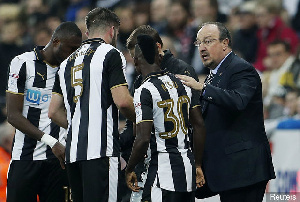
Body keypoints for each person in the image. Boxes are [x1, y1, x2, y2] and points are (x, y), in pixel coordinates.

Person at [177, 22, 276, 202]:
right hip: (230, 171)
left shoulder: (241, 68)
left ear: (225, 43)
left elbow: (238, 101)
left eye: (208, 41)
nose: (202, 48)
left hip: (244, 170)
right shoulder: (215, 74)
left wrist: (202, 88)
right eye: (199, 43)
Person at [48, 7, 135, 202]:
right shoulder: (110, 53)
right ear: (112, 31)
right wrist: (142, 119)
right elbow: (122, 101)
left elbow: (53, 112)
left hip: (73, 153)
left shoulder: (65, 63)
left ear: (87, 33)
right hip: (101, 151)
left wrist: (78, 125)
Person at [119, 24, 201, 201]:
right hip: (185, 164)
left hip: (162, 169)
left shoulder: (147, 87)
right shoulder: (181, 82)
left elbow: (141, 137)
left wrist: (130, 167)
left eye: (135, 57)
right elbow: (199, 123)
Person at [6, 21, 82, 202]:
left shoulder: (72, 71)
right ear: (56, 41)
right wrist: (51, 141)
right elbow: (13, 115)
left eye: (76, 50)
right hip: (25, 157)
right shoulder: (22, 63)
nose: (72, 55)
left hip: (60, 161)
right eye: (70, 49)